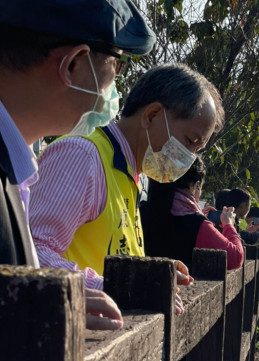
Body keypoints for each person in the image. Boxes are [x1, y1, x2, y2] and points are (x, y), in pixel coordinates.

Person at [0, 0, 154, 330]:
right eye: (117, 65)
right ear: (73, 64)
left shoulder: (15, 168)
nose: (114, 84)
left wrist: (42, 306)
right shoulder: (78, 156)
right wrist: (40, 312)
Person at [29, 63, 225, 313]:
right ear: (152, 115)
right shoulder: (83, 157)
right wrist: (118, 288)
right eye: (189, 142)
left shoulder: (130, 176)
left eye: (197, 151)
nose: (189, 159)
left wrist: (151, 274)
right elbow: (33, 252)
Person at [141, 156, 243, 270]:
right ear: (196, 185)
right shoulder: (197, 224)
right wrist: (228, 223)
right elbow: (236, 258)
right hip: (178, 287)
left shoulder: (141, 211)